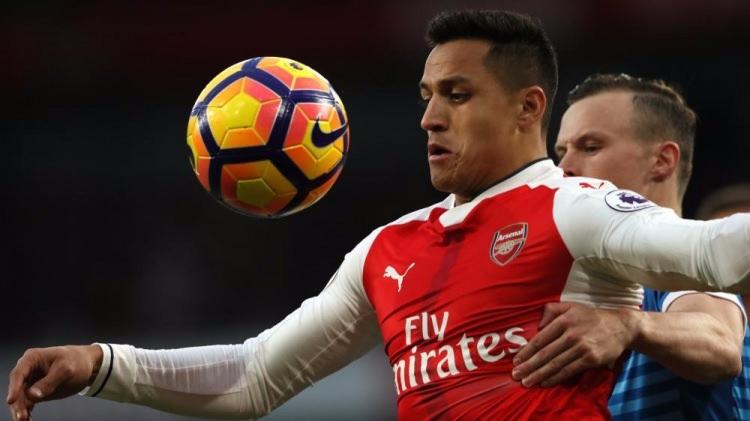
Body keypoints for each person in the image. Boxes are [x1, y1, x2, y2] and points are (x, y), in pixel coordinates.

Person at [7, 10, 750, 421]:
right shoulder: (387, 250)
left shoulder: (576, 207)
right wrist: (103, 364)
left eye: (456, 95)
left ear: (528, 108)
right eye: (427, 96)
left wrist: (633, 325)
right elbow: (256, 376)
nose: (429, 117)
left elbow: (712, 253)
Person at [511, 73, 750, 419]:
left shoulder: (678, 260)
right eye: (561, 152)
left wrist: (629, 326)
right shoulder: (589, 287)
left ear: (662, 161)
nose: (564, 169)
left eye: (590, 147)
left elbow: (721, 343)